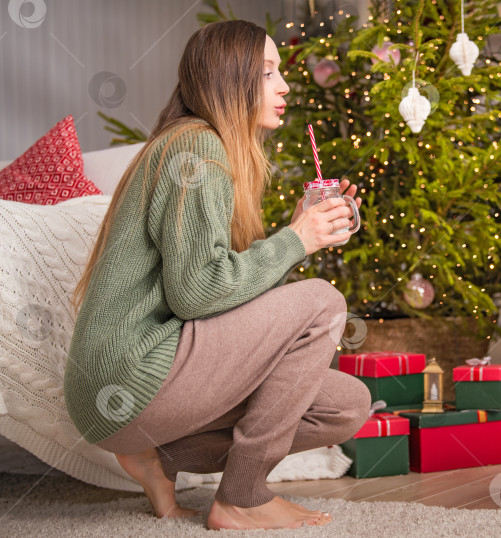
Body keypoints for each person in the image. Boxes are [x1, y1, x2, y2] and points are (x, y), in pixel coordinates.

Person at [65, 20, 371, 530]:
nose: (285, 86)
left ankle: (158, 458)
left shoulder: (200, 147)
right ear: (231, 79)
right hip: (130, 371)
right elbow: (198, 293)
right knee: (322, 301)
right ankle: (241, 497)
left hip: (132, 393)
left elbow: (224, 298)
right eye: (268, 72)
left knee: (344, 405)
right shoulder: (196, 148)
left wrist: (297, 227)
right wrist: (297, 239)